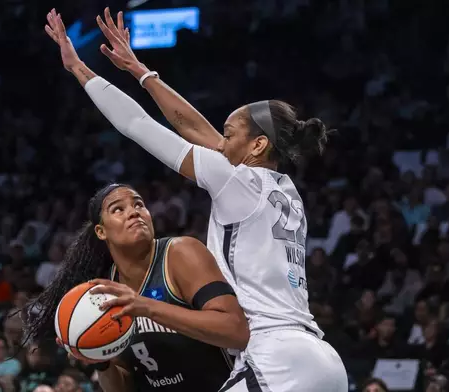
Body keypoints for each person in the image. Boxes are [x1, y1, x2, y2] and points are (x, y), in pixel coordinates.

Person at [42, 8, 348, 391]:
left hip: (276, 357)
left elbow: (137, 125)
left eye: (229, 133)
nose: (221, 142)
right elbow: (194, 127)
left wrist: (79, 70)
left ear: (257, 144)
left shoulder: (237, 181)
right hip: (319, 359)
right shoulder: (283, 190)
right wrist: (142, 72)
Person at [23, 183, 248, 391]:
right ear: (101, 232)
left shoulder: (180, 254)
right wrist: (101, 363)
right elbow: (124, 385)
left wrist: (147, 307)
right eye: (118, 209)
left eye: (139, 204)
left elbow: (236, 331)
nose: (134, 212)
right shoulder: (104, 291)